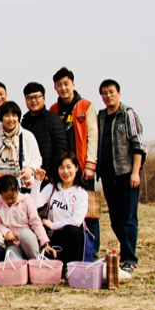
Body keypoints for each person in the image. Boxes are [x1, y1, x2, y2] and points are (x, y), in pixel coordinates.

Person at [97, 79, 146, 274]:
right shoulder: (101, 117)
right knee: (115, 219)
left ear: (119, 93)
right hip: (108, 176)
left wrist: (135, 172)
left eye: (111, 92)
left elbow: (138, 145)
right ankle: (125, 253)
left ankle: (130, 259)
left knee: (128, 219)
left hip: (126, 175)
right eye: (104, 93)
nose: (108, 96)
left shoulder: (127, 114)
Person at [50, 67, 100, 251]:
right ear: (55, 87)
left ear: (73, 84)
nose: (63, 88)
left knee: (90, 212)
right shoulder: (54, 109)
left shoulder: (85, 106)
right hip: (63, 169)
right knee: (63, 209)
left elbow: (93, 136)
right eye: (59, 85)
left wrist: (90, 164)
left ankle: (92, 250)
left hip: (82, 167)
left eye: (66, 84)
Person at [0, 101, 43, 218]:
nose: (11, 119)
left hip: (24, 184)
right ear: (1, 118)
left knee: (24, 217)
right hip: (2, 186)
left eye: (14, 115)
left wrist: (30, 169)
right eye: (7, 115)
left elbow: (37, 158)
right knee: (3, 217)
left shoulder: (27, 136)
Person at [33, 153, 89, 267]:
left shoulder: (81, 193)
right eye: (61, 168)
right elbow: (33, 204)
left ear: (76, 168)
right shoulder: (52, 187)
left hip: (71, 238)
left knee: (71, 230)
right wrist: (37, 182)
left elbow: (76, 221)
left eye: (69, 167)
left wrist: (53, 225)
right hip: (53, 237)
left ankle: (71, 268)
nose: (65, 171)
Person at [21, 82, 66, 184]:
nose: (33, 101)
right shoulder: (24, 121)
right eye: (29, 98)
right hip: (29, 175)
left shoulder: (53, 119)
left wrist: (54, 173)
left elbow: (61, 148)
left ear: (44, 98)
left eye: (36, 97)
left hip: (48, 175)